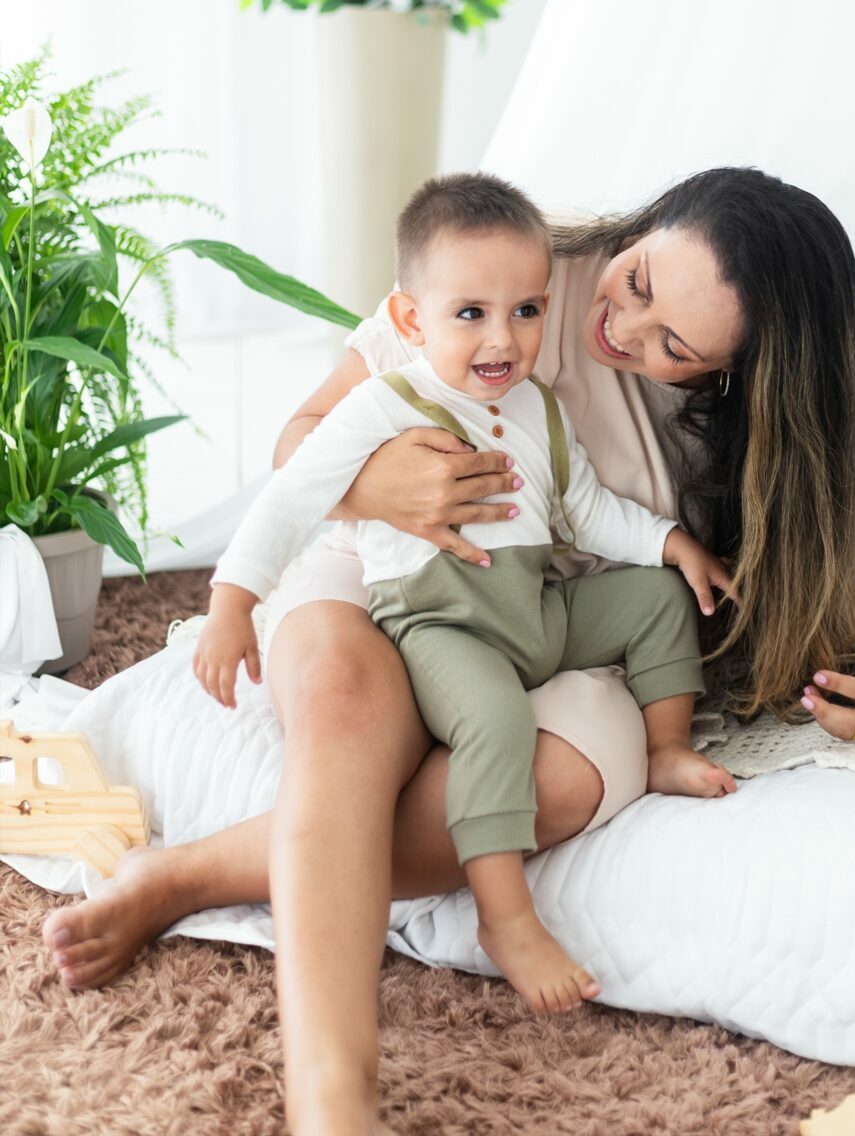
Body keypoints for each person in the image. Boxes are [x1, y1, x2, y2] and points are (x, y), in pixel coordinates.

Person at [41, 167, 855, 1136]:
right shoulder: (511, 270)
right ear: (644, 226)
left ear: (733, 372)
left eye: (672, 346)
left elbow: (801, 569)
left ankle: (187, 874)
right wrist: (380, 488)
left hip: (551, 619)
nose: (622, 326)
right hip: (386, 570)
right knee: (345, 701)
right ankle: (332, 1101)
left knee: (559, 781)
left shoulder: (728, 434)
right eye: (636, 279)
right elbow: (301, 446)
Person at [200, 173, 737, 1015]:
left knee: (658, 599)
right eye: (470, 314)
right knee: (497, 720)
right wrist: (232, 602)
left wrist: (671, 544)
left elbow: (587, 509)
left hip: (534, 610)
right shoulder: (387, 402)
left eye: (524, 311)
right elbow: (292, 495)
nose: (501, 338)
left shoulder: (536, 409)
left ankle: (665, 745)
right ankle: (504, 915)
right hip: (442, 622)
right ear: (411, 321)